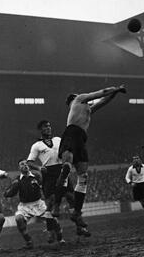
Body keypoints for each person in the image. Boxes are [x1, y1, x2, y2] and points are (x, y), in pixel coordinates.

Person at [53, 85, 127, 237]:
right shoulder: (79, 99)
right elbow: (101, 93)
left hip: (81, 137)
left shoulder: (87, 109)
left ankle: (77, 213)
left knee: (83, 177)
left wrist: (115, 94)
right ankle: (56, 205)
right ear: (75, 98)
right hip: (72, 133)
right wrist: (117, 88)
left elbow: (103, 101)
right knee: (67, 167)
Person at [26, 120, 75, 237]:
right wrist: (38, 167)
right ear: (40, 130)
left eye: (49, 126)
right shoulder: (36, 145)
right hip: (48, 173)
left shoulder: (58, 140)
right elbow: (29, 162)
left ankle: (79, 225)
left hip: (61, 170)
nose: (48, 128)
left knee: (71, 197)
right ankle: (50, 230)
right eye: (45, 127)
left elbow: (67, 151)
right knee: (50, 202)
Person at [4, 160, 64, 248]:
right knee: (18, 219)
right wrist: (11, 190)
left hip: (38, 203)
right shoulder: (17, 180)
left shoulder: (37, 176)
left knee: (54, 220)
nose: (24, 165)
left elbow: (45, 187)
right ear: (19, 168)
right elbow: (7, 194)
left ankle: (60, 238)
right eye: (22, 164)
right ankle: (29, 241)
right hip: (24, 206)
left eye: (25, 163)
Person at [125, 155, 144, 222]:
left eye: (137, 159)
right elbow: (127, 177)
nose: (136, 161)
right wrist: (131, 183)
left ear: (140, 160)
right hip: (136, 186)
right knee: (142, 203)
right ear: (133, 161)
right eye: (135, 160)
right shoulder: (130, 169)